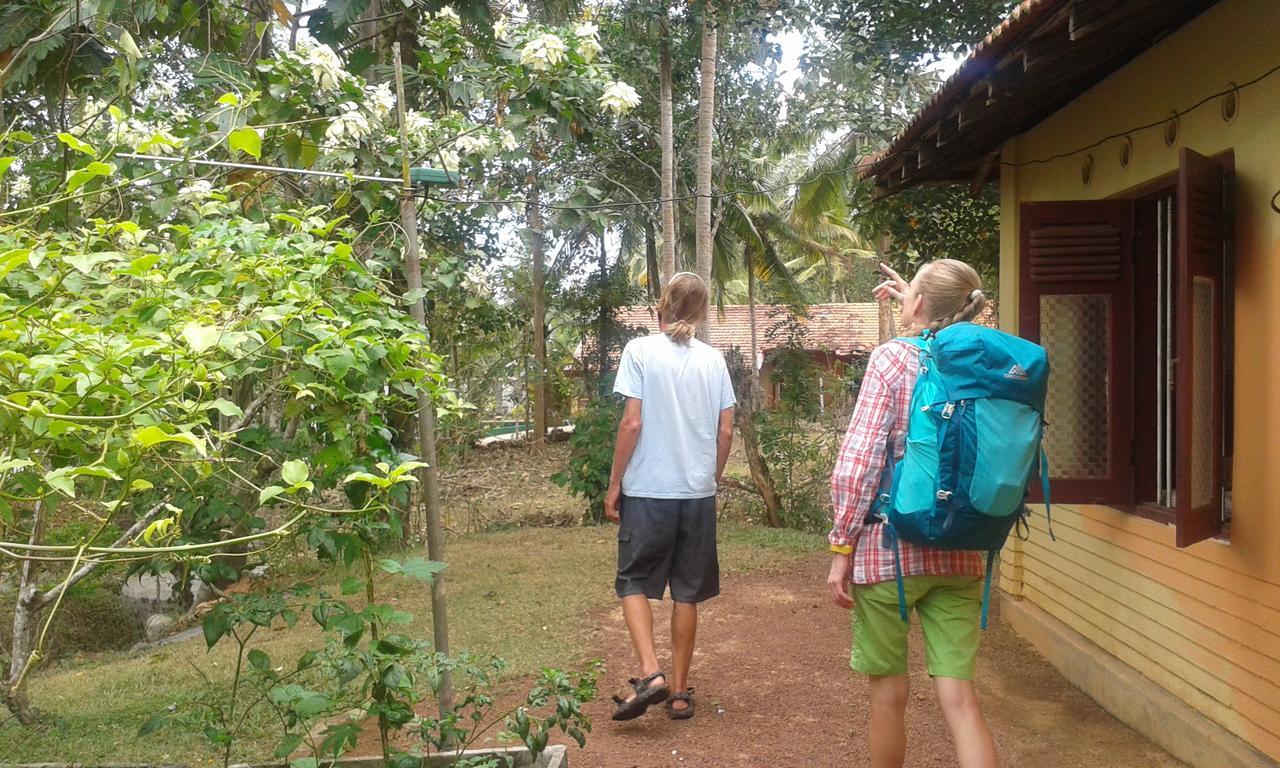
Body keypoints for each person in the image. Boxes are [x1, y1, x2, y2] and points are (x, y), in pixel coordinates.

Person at [827, 260, 1000, 768]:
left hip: (889, 551)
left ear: (920, 305)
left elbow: (857, 465)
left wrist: (841, 547)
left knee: (888, 696)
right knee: (962, 700)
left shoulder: (891, 361)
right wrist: (920, 298)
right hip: (963, 547)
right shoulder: (985, 360)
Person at [603, 272, 736, 722]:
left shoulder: (640, 351)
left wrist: (615, 483)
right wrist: (708, 478)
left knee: (634, 582)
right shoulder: (714, 360)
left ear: (661, 304)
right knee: (686, 592)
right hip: (696, 493)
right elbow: (725, 430)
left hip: (648, 491)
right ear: (700, 312)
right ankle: (679, 692)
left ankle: (650, 673)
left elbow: (632, 424)